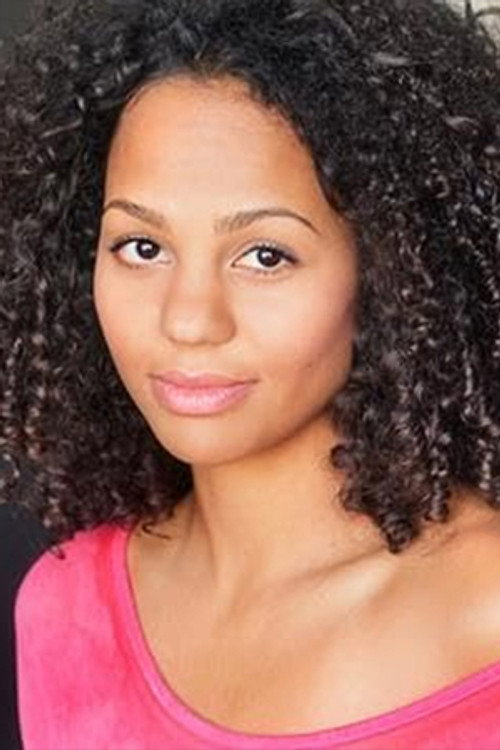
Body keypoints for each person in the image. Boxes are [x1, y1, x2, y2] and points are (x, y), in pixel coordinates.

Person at [2, 0, 500, 747]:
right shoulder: (67, 609)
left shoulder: (485, 614)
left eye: (265, 255)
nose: (189, 320)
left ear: (391, 272)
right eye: (141, 247)